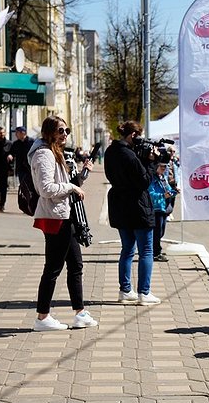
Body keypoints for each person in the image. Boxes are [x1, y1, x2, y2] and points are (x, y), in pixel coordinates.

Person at [28, 116, 97, 331]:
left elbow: (66, 184)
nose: (65, 134)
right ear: (49, 132)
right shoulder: (43, 154)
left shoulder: (55, 152)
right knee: (53, 268)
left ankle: (80, 313)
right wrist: (71, 188)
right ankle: (42, 317)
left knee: (75, 264)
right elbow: (46, 188)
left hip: (65, 216)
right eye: (60, 130)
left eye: (66, 130)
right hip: (55, 218)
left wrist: (82, 175)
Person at [105, 120, 161, 306]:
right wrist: (151, 163)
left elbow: (125, 175)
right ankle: (144, 293)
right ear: (133, 135)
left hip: (119, 205)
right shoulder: (129, 155)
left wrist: (142, 160)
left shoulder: (110, 152)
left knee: (127, 249)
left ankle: (125, 290)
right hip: (137, 206)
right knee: (146, 250)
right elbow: (144, 180)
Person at [148, 162, 176, 262]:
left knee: (161, 231)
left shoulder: (163, 177)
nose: (164, 168)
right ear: (156, 166)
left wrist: (174, 191)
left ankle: (155, 250)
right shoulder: (152, 179)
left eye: (165, 166)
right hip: (156, 208)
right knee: (157, 232)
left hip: (163, 208)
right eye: (162, 166)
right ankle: (155, 252)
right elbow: (151, 194)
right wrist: (163, 196)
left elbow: (168, 189)